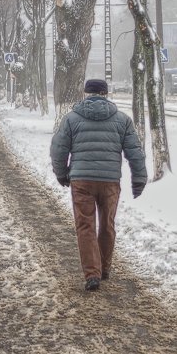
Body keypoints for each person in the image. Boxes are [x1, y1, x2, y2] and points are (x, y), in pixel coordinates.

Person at [50, 79, 147, 291]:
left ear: (85, 93)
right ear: (106, 93)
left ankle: (92, 274)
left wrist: (61, 174)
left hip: (82, 180)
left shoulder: (71, 119)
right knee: (107, 224)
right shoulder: (122, 120)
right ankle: (104, 268)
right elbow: (135, 152)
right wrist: (139, 178)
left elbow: (58, 148)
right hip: (110, 182)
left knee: (85, 226)